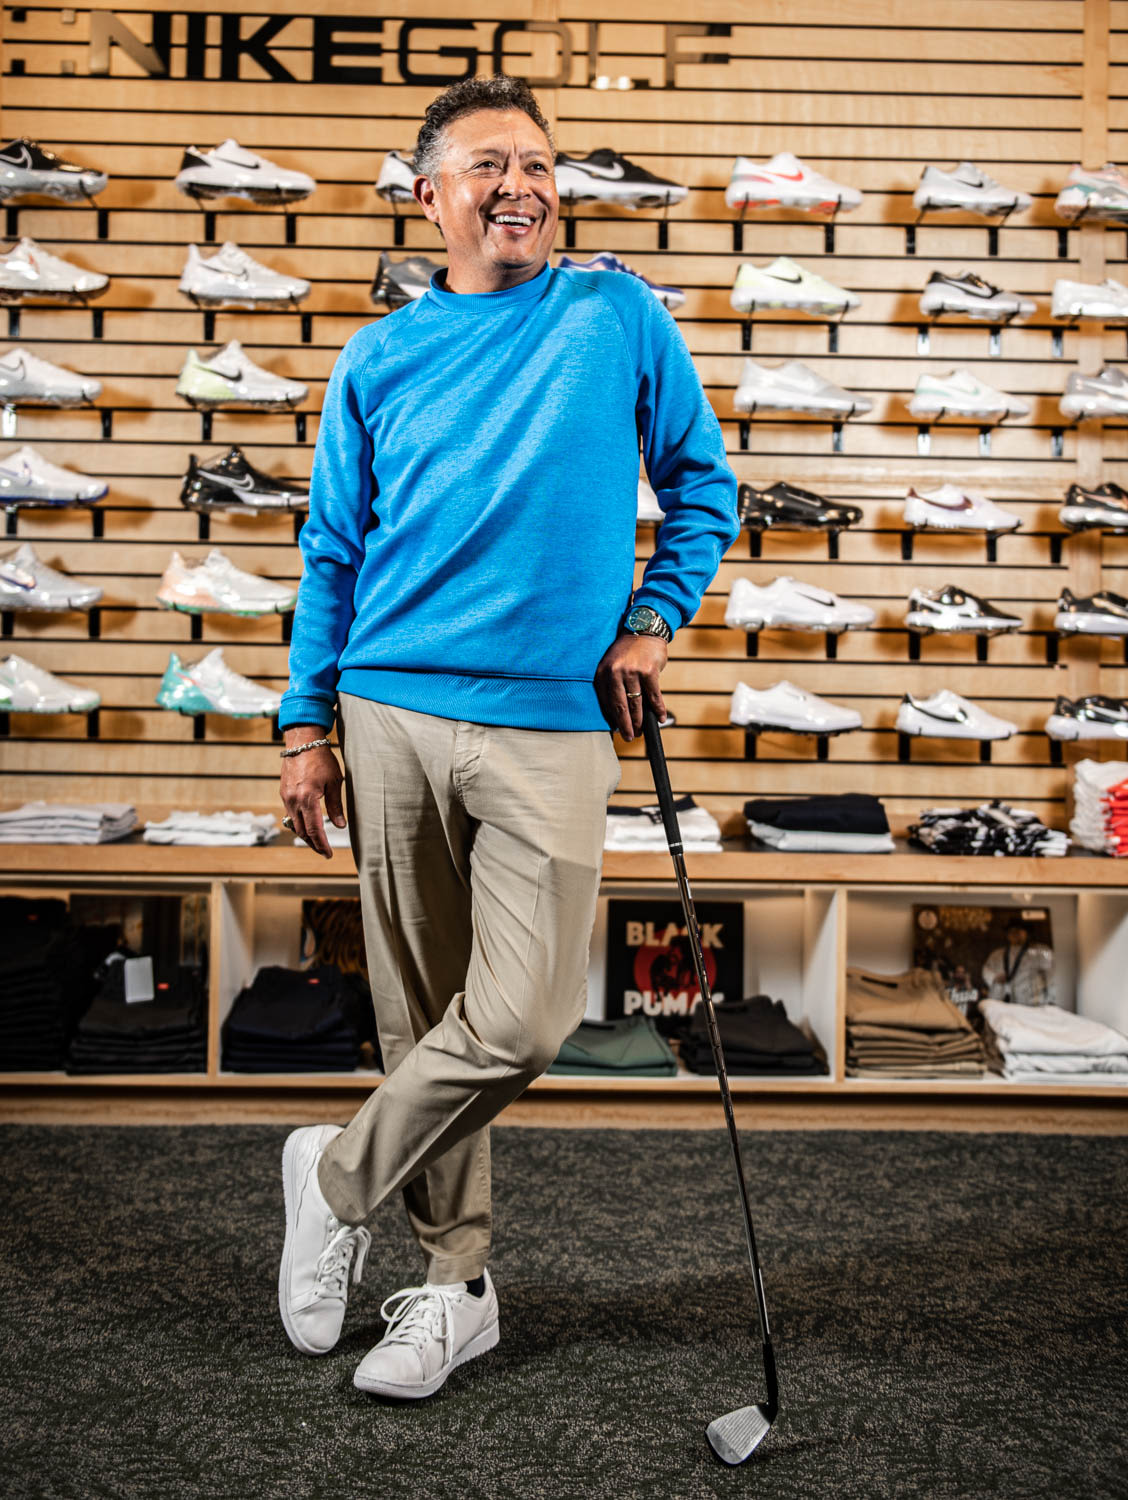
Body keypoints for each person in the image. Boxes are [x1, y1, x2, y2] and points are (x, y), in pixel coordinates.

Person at [276, 73, 738, 1401]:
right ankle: (456, 1287)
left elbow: (704, 485)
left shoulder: (614, 314)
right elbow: (332, 554)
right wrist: (305, 722)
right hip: (389, 710)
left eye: (539, 164)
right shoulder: (378, 355)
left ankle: (331, 1175)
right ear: (428, 195)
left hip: (549, 723)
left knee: (520, 1021)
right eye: (490, 165)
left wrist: (652, 618)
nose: (523, 185)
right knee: (424, 1016)